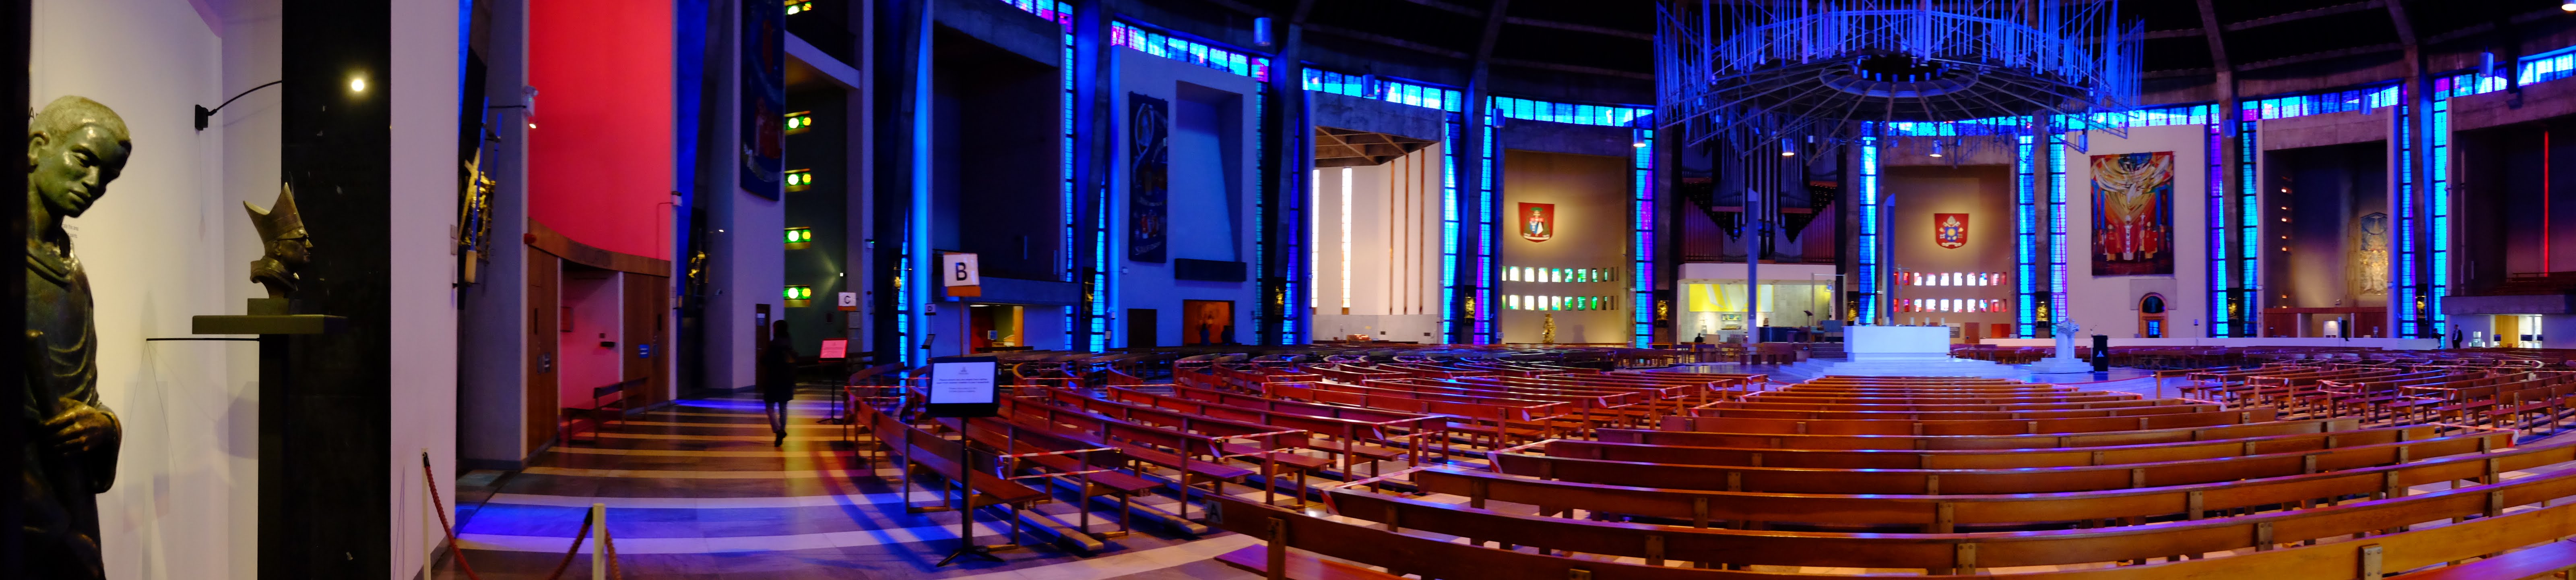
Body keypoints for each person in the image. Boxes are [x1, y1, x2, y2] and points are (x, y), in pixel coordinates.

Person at [25, 95, 131, 580]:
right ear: (37, 148)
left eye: (108, 176)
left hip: (68, 497)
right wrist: (59, 533)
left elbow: (84, 396)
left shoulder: (71, 272)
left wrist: (104, 426)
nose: (94, 184)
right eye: (84, 160)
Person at [759, 321, 802, 447]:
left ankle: (779, 431)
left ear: (776, 330)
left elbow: (765, 360)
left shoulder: (774, 345)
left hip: (773, 380)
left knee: (769, 407)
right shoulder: (790, 344)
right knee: (783, 407)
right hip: (787, 381)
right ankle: (782, 430)